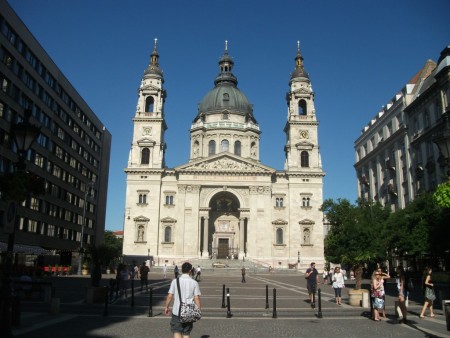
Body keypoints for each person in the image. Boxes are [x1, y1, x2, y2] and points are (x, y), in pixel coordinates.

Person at [165, 262, 202, 338]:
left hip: (177, 311)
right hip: (189, 311)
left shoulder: (175, 281)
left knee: (177, 331)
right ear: (190, 270)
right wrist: (198, 310)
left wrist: (167, 307)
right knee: (186, 333)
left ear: (181, 270)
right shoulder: (194, 282)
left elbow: (170, 296)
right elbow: (197, 298)